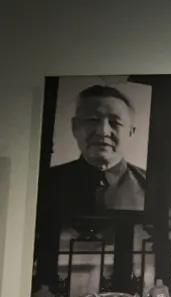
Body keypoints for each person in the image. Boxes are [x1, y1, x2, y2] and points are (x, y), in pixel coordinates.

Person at [47, 85, 147, 215]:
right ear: (75, 127)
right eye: (92, 120)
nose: (103, 131)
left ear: (131, 132)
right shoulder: (46, 182)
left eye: (115, 123)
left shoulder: (151, 187)